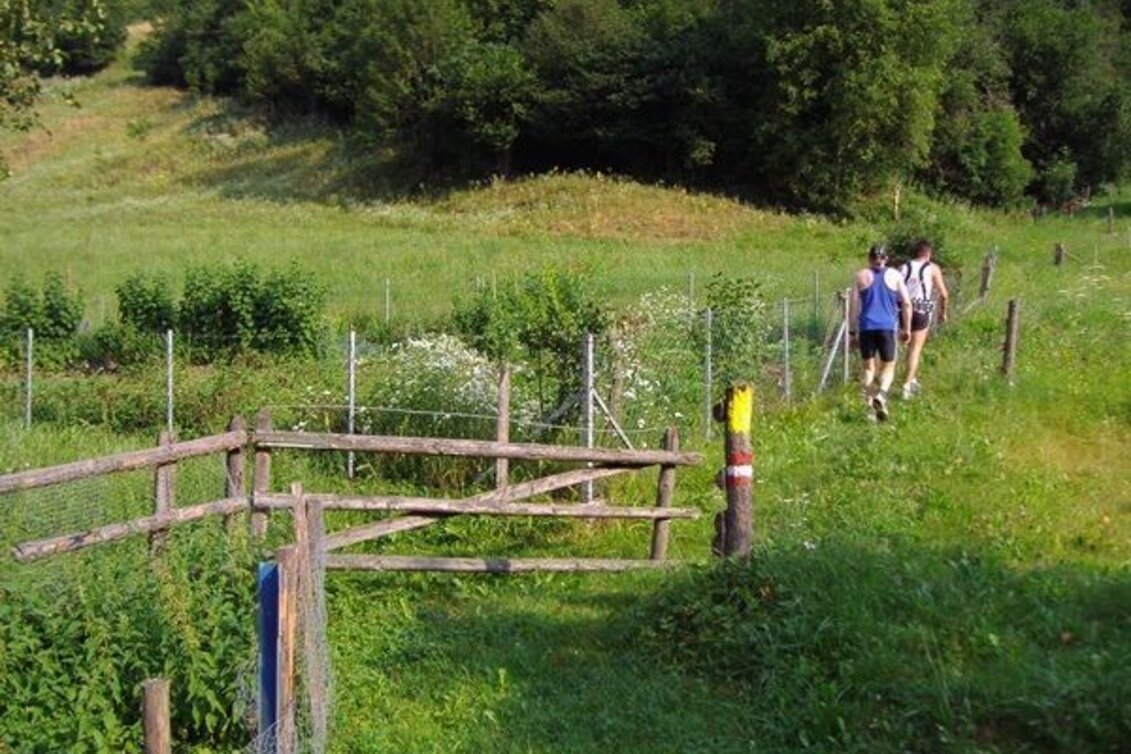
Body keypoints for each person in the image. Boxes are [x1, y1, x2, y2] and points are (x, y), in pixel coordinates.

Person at [848, 244, 911, 421]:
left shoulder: (860, 276)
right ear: (886, 259)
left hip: (866, 326)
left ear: (869, 258)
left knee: (868, 369)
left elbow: (853, 307)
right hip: (887, 327)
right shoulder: (895, 275)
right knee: (889, 366)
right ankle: (881, 396)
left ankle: (870, 409)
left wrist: (852, 332)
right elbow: (906, 303)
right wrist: (906, 328)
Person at [898, 239, 949, 400]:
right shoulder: (933, 268)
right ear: (928, 253)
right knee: (915, 349)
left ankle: (911, 378)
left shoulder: (903, 267)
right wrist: (943, 313)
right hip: (923, 307)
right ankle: (906, 385)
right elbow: (943, 294)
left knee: (907, 345)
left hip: (903, 308)